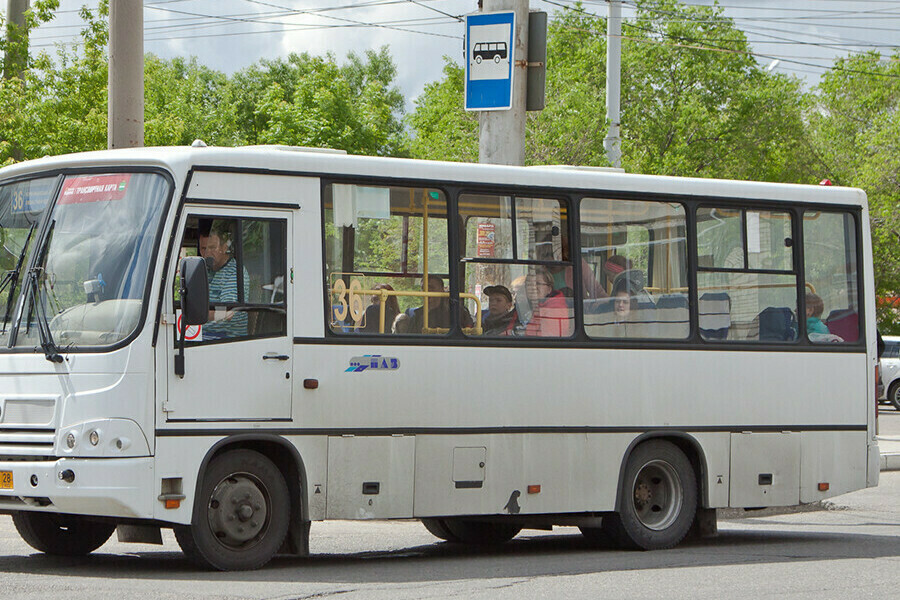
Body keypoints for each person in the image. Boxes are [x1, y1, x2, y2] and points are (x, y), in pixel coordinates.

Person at [199, 224, 250, 339]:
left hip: (225, 340)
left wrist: (196, 314)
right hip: (202, 336)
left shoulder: (235, 272)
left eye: (212, 248)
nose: (207, 253)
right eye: (203, 248)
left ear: (224, 248)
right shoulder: (205, 270)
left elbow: (227, 313)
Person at [408, 275, 474, 333]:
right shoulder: (417, 314)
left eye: (431, 288)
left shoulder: (456, 311)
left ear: (442, 290)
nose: (427, 292)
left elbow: (469, 332)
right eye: (423, 288)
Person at [524, 267, 573, 337]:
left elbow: (547, 340)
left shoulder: (555, 309)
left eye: (537, 283)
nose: (533, 287)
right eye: (529, 284)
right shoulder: (529, 306)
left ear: (549, 289)